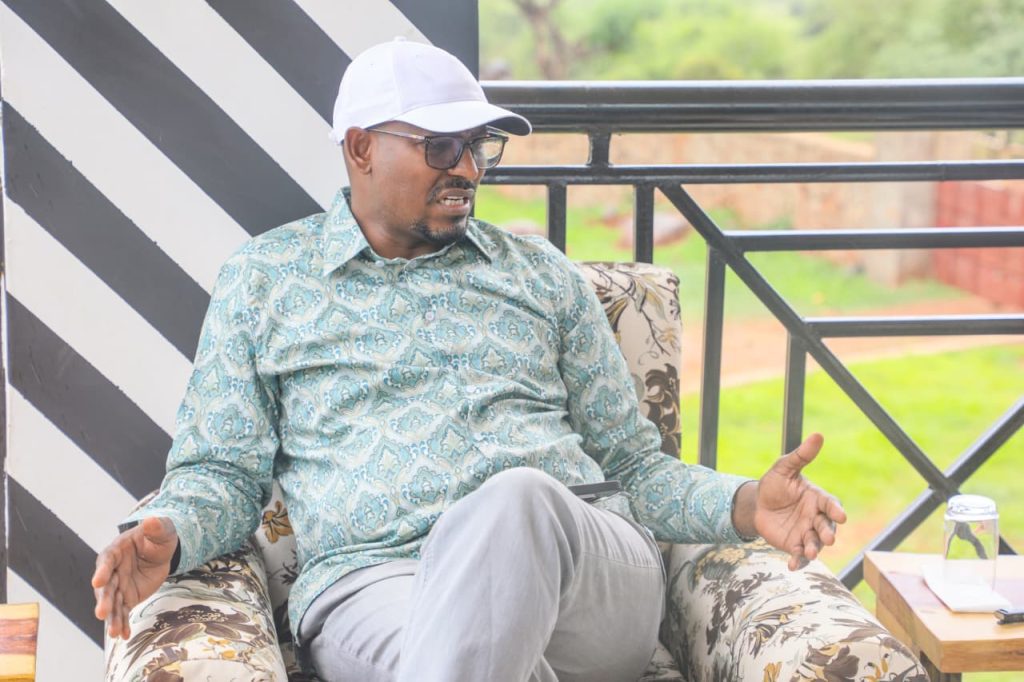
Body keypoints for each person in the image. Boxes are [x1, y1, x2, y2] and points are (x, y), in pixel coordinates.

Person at [92, 39, 846, 682]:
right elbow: (223, 470)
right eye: (441, 147)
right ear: (360, 147)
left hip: (584, 575)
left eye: (479, 146)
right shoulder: (265, 281)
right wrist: (172, 531)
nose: (471, 170)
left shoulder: (539, 275)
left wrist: (747, 503)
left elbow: (636, 468)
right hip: (377, 583)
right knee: (459, 656)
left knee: (515, 501)